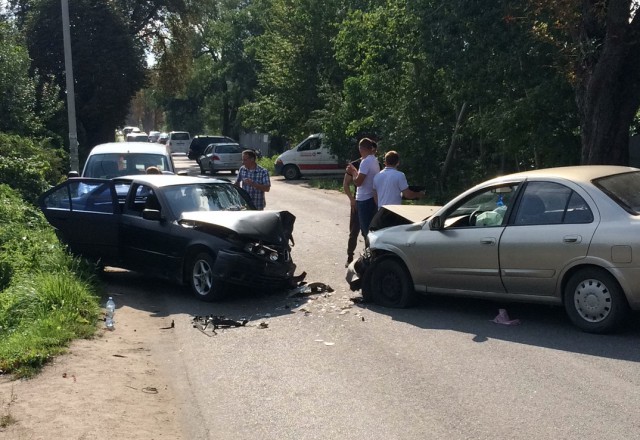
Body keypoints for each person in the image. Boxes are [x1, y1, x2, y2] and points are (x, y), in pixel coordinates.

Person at [345, 138, 380, 242]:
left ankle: (370, 255)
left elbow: (358, 182)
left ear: (361, 149)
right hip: (371, 198)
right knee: (370, 229)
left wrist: (353, 171)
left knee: (366, 231)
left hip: (364, 199)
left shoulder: (365, 162)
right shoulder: (375, 160)